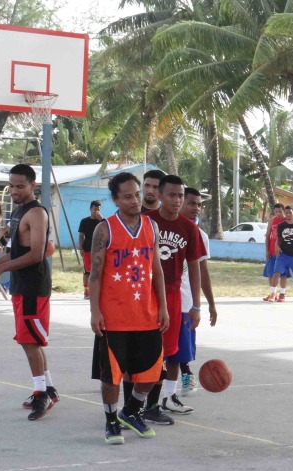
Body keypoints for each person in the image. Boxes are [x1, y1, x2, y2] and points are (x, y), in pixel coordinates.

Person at [89, 172, 169, 444]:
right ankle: (111, 421)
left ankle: (131, 411)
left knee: (153, 372)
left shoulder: (151, 226)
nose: (135, 200)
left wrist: (164, 307)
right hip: (114, 317)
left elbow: (156, 269)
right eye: (127, 197)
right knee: (112, 376)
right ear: (115, 200)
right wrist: (94, 312)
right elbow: (95, 275)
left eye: (137, 194)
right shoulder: (105, 229)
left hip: (147, 314)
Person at [0, 164, 58, 420]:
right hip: (23, 285)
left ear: (33, 185)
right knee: (31, 339)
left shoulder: (36, 213)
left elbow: (36, 255)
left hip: (33, 286)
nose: (14, 190)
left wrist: (1, 271)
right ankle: (48, 389)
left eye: (20, 186)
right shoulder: (19, 210)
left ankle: (40, 395)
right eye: (11, 185)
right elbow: (18, 251)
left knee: (28, 341)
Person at [130, 175, 206, 420]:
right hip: (145, 292)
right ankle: (134, 404)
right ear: (160, 196)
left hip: (172, 294)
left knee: (170, 353)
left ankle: (159, 402)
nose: (177, 200)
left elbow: (194, 267)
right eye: (172, 195)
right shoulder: (145, 221)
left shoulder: (189, 228)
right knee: (144, 351)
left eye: (181, 196)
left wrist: (197, 304)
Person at [176, 187, 218, 396]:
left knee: (184, 348)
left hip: (186, 301)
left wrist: (209, 303)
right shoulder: (158, 227)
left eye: (199, 204)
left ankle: (185, 376)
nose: (196, 208)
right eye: (191, 203)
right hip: (162, 299)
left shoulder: (200, 235)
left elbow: (202, 271)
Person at [263, 203, 289, 302]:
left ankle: (282, 294)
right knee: (270, 273)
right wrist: (267, 250)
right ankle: (272, 293)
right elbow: (268, 236)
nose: (278, 213)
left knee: (283, 274)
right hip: (271, 251)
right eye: (276, 211)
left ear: (284, 211)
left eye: (280, 211)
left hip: (283, 252)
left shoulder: (287, 221)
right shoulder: (272, 221)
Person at [77, 200, 103, 299]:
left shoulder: (101, 222)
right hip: (87, 249)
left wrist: (102, 220)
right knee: (87, 271)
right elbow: (81, 235)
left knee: (98, 270)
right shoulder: (84, 221)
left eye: (99, 209)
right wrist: (81, 248)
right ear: (90, 209)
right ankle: (86, 291)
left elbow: (108, 231)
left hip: (99, 250)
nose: (97, 211)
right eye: (95, 209)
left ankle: (97, 291)